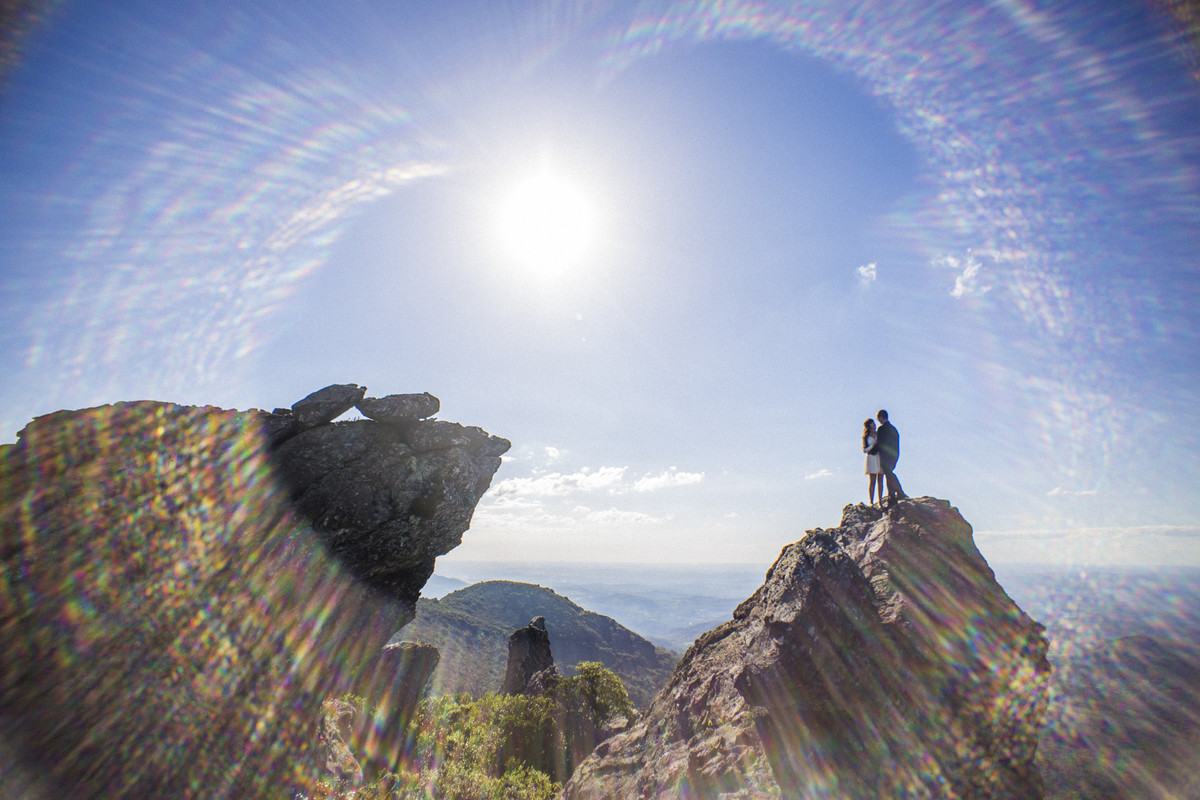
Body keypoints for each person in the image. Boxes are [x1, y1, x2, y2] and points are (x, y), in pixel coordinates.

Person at [875, 409, 906, 507]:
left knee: (889, 474)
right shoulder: (893, 429)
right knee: (889, 475)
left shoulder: (881, 429)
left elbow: (879, 443)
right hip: (894, 455)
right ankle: (892, 496)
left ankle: (899, 493)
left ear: (880, 417)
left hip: (885, 456)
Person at [862, 418, 883, 505]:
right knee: (872, 480)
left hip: (879, 456)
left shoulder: (879, 434)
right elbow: (864, 450)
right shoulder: (866, 437)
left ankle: (880, 501)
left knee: (880, 480)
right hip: (871, 457)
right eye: (871, 423)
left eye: (873, 423)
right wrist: (873, 445)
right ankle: (871, 501)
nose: (873, 425)